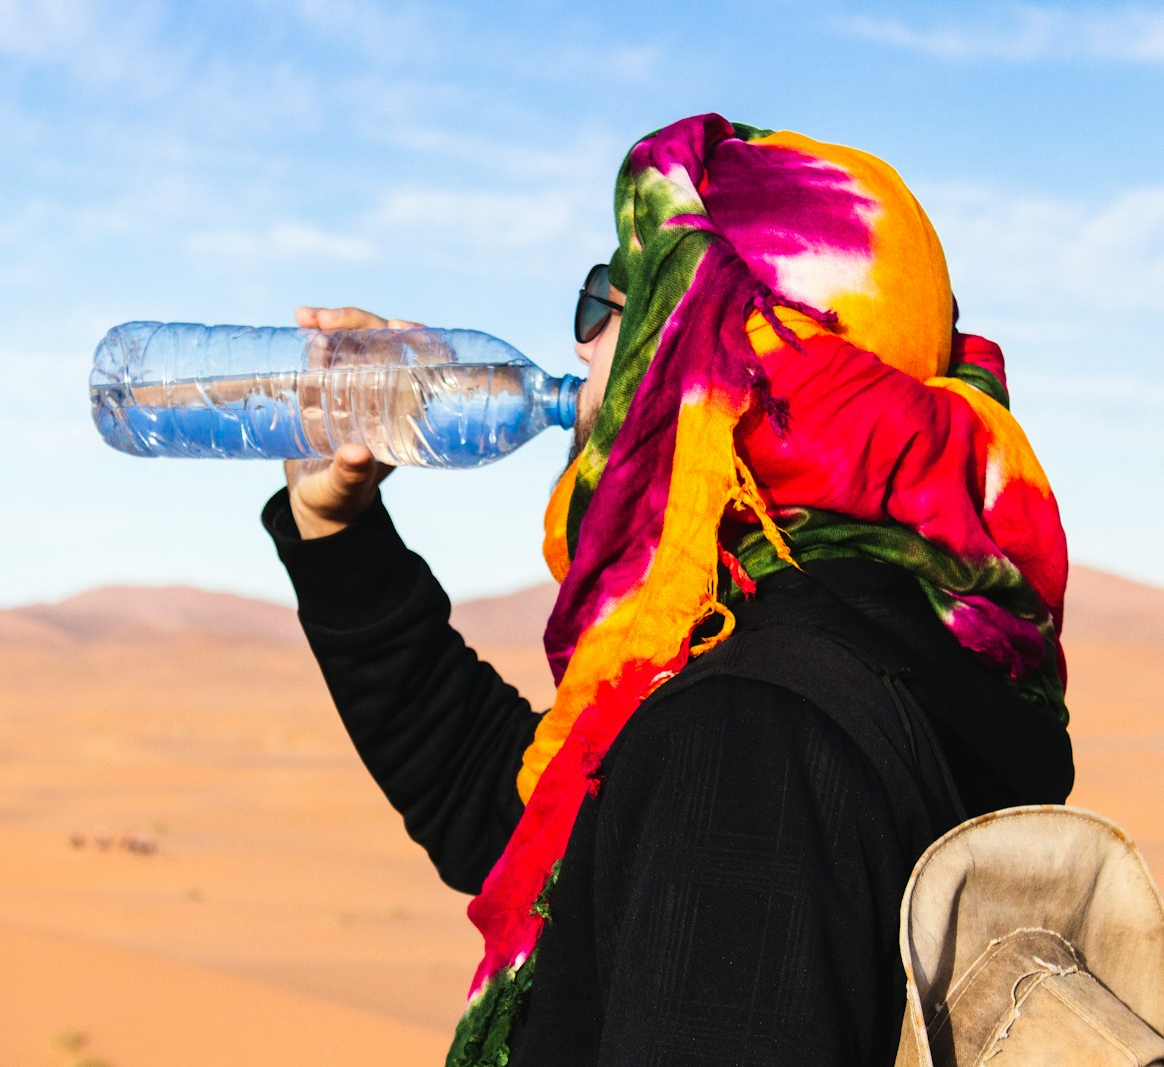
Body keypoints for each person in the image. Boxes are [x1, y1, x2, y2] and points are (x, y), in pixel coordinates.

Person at [261, 114, 1075, 1065]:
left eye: (614, 296)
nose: (584, 345)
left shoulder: (754, 729)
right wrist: (336, 531)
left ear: (702, 333)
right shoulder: (872, 637)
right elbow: (530, 829)